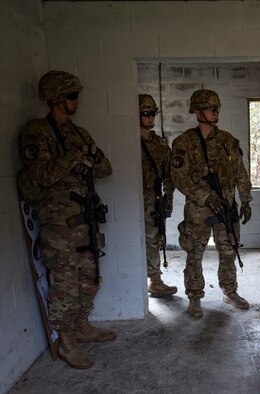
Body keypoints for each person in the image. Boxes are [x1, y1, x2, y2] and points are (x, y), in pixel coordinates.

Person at [18, 70, 115, 369]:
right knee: (64, 286)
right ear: (56, 97)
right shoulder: (37, 132)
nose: (77, 102)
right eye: (72, 96)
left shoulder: (80, 133)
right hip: (59, 224)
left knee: (89, 280)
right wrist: (74, 158)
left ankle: (82, 326)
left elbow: (104, 168)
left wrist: (87, 157)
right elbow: (43, 175)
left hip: (85, 220)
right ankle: (67, 340)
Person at [170, 89, 253, 319]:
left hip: (226, 208)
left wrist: (245, 199)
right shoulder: (184, 142)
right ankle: (195, 296)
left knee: (228, 251)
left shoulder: (228, 141)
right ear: (197, 111)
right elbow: (180, 177)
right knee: (195, 254)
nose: (215, 112)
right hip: (199, 211)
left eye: (217, 108)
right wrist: (206, 197)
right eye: (210, 108)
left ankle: (230, 290)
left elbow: (240, 173)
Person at [138, 94, 177, 297]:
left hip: (153, 200)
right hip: (131, 201)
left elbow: (169, 175)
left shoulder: (160, 145)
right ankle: (136, 279)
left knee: (154, 239)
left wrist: (168, 198)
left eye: (153, 113)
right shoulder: (125, 143)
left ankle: (155, 280)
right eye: (146, 113)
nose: (150, 117)